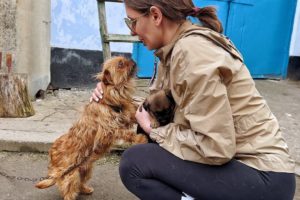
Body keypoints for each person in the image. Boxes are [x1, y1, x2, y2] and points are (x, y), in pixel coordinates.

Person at [91, 0, 296, 199]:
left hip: (263, 175)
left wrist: (156, 131)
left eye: (132, 21)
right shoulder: (173, 50)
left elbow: (216, 146)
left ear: (155, 15)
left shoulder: (193, 53)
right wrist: (110, 93)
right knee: (151, 144)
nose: (132, 31)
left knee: (135, 163)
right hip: (243, 165)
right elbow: (161, 106)